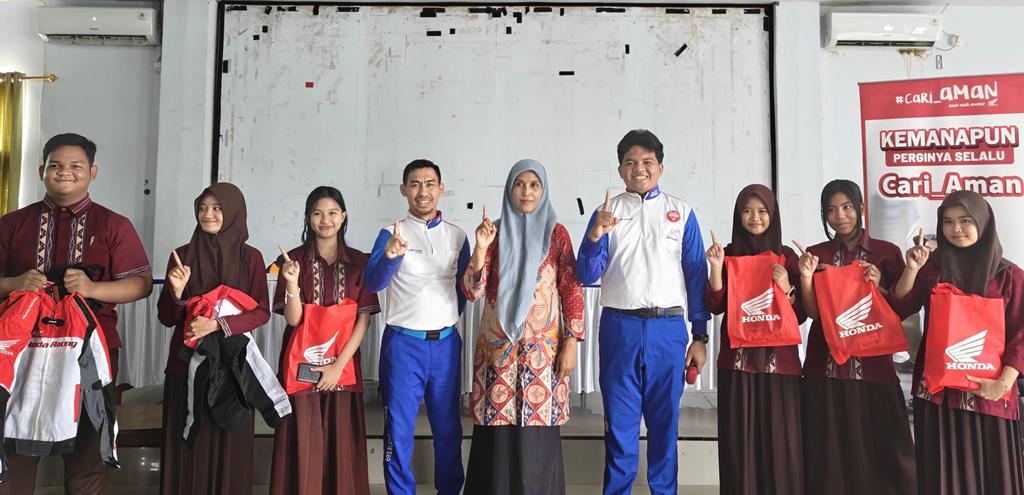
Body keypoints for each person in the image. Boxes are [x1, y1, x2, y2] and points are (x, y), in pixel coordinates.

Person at [0, 133, 152, 494]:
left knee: (87, 452)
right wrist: (16, 283)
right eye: (55, 165)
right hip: (21, 350)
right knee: (14, 446)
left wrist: (93, 289)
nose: (64, 172)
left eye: (75, 166)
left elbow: (141, 284)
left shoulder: (113, 224)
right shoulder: (11, 224)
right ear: (41, 170)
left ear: (92, 172)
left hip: (91, 351)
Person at [576, 129, 710, 495]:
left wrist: (700, 336)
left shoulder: (681, 213)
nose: (639, 169)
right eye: (631, 162)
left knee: (665, 426)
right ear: (620, 169)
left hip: (668, 329)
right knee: (620, 427)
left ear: (660, 167)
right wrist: (595, 235)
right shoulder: (607, 214)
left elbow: (696, 276)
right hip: (619, 328)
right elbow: (587, 275)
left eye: (647, 162)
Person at [461, 160, 585, 495]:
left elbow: (571, 289)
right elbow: (472, 291)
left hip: (542, 354)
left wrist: (572, 341)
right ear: (509, 189)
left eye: (534, 185)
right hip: (498, 352)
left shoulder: (557, 234)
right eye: (519, 184)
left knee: (537, 433)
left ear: (543, 190)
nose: (526, 192)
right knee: (497, 434)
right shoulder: (494, 232)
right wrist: (481, 249)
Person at [890, 189, 1024, 493]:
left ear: (983, 222)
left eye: (965, 220)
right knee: (941, 477)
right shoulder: (933, 270)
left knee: (993, 477)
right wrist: (911, 269)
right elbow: (900, 307)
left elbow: (1020, 335)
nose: (956, 229)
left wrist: (1002, 385)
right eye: (948, 222)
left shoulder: (1009, 276)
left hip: (990, 396)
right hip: (939, 396)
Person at [795, 179, 915, 495]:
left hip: (874, 369)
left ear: (861, 208)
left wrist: (881, 286)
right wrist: (806, 277)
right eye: (832, 210)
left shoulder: (886, 253)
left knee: (883, 448)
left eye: (847, 207)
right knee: (829, 452)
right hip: (826, 366)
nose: (840, 216)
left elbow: (899, 309)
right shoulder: (815, 254)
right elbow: (813, 312)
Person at [157, 182, 270, 495]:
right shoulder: (182, 256)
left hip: (234, 366)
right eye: (203, 208)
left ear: (233, 212)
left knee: (230, 444)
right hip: (188, 366)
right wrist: (177, 292)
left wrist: (217, 324)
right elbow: (166, 317)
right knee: (189, 445)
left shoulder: (251, 258)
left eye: (217, 208)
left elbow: (261, 312)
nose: (208, 214)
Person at [364, 159, 469, 495]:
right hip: (403, 346)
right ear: (403, 190)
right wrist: (390, 257)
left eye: (429, 183)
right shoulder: (391, 233)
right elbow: (373, 282)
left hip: (445, 345)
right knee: (398, 430)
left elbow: (464, 291)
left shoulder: (457, 236)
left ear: (441, 189)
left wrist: (443, 319)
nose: (423, 191)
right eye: (415, 184)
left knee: (448, 428)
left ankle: (449, 490)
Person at [270, 186, 380, 495]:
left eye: (332, 213)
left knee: (340, 448)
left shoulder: (360, 262)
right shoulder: (292, 261)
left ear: (343, 216)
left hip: (343, 367)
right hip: (301, 367)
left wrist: (338, 367)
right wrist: (292, 283)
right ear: (308, 218)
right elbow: (293, 320)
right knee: (302, 445)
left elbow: (363, 320)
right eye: (317, 213)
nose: (325, 220)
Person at [704, 184, 804, 495]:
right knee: (739, 442)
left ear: (773, 215)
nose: (755, 217)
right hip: (738, 363)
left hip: (780, 365)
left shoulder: (787, 256)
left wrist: (787, 286)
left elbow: (801, 314)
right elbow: (715, 305)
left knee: (781, 443)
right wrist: (716, 268)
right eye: (747, 211)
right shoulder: (728, 253)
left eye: (762, 211)